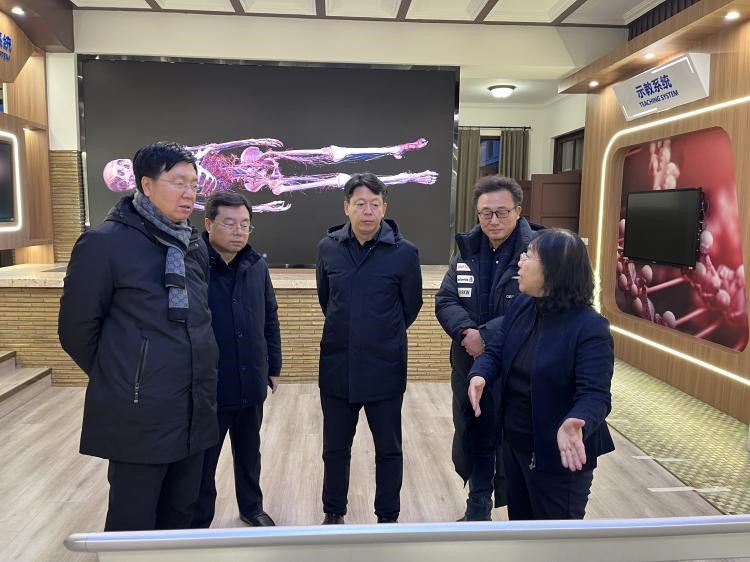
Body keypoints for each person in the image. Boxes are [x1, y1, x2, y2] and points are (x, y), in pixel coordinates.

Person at [58, 141, 219, 531]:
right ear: (146, 185)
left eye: (194, 184)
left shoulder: (193, 244)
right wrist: (130, 378)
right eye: (178, 182)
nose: (189, 193)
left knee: (182, 517)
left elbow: (199, 318)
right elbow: (76, 330)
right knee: (133, 522)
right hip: (139, 413)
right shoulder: (105, 243)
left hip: (194, 406)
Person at [467, 228, 615, 520]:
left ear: (553, 270)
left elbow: (595, 395)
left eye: (529, 256)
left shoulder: (590, 327)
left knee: (555, 540)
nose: (520, 262)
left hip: (562, 455)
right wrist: (480, 374)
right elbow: (496, 350)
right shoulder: (523, 305)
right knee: (522, 531)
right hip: (516, 446)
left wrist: (577, 421)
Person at [316, 172, 423, 525]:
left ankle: (387, 517)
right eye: (360, 203)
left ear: (384, 208)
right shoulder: (328, 247)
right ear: (346, 207)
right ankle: (334, 511)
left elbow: (411, 306)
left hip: (385, 367)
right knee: (335, 448)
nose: (367, 211)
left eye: (374, 204)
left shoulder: (404, 253)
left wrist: (381, 333)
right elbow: (326, 299)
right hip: (338, 365)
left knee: (388, 450)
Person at [435, 175, 541, 521]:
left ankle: (523, 521)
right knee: (476, 437)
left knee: (516, 444)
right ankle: (477, 511)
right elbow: (446, 299)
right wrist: (467, 332)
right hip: (470, 364)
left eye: (501, 212)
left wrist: (485, 335)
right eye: (485, 213)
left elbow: (536, 306)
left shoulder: (537, 252)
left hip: (516, 369)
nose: (493, 220)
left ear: (518, 211)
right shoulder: (466, 250)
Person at [191, 192, 282, 529]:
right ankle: (200, 518)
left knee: (249, 451)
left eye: (244, 224)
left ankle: (252, 507)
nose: (238, 231)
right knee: (204, 459)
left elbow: (270, 316)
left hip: (251, 378)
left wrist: (273, 366)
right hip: (210, 384)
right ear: (208, 224)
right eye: (229, 223)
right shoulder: (193, 265)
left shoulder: (256, 265)